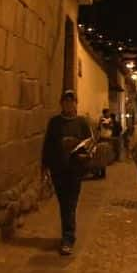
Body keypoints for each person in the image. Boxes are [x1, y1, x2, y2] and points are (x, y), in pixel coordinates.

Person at [41, 90, 93, 255]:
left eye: (71, 101)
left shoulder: (82, 123)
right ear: (61, 103)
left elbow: (90, 144)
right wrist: (44, 166)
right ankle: (68, 235)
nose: (69, 104)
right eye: (66, 101)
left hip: (74, 170)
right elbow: (48, 145)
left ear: (75, 103)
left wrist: (79, 148)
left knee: (70, 204)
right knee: (64, 204)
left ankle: (68, 238)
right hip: (58, 169)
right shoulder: (54, 123)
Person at [94, 108, 113, 179]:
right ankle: (101, 173)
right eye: (108, 113)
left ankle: (102, 173)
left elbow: (110, 127)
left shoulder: (107, 119)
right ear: (105, 113)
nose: (109, 114)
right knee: (101, 157)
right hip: (103, 138)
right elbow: (104, 127)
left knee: (103, 157)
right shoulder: (103, 119)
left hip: (107, 138)